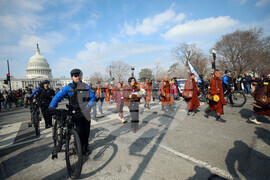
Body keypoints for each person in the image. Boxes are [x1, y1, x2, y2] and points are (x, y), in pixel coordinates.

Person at [49, 69, 95, 155]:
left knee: (86, 132)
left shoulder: (86, 86)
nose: (78, 77)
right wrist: (52, 107)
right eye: (75, 75)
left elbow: (92, 98)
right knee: (79, 131)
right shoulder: (68, 87)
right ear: (72, 77)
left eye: (79, 75)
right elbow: (57, 97)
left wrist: (88, 107)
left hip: (85, 112)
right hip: (74, 113)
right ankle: (77, 148)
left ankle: (84, 148)